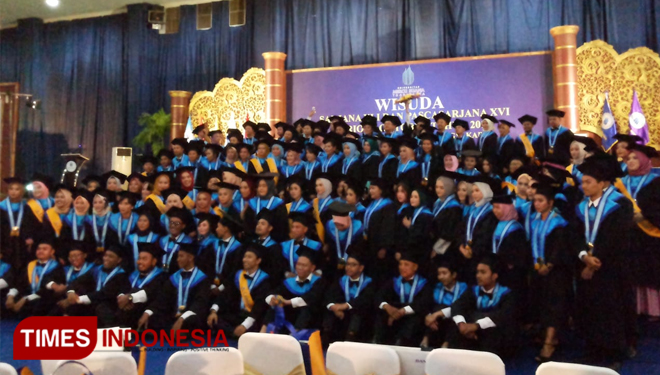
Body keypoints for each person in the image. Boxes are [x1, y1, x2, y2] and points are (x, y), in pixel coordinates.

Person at [575, 154, 634, 370]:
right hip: (586, 265)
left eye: (588, 182)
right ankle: (593, 349)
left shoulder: (620, 205)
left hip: (611, 267)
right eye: (582, 182)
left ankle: (614, 351)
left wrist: (595, 262)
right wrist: (584, 256)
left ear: (603, 183)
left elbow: (617, 238)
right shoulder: (580, 207)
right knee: (589, 308)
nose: (584, 186)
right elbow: (576, 236)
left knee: (612, 309)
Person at [528, 180, 573, 362]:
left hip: (556, 272)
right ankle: (548, 336)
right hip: (539, 270)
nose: (537, 204)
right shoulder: (535, 220)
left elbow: (560, 247)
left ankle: (549, 343)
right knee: (543, 304)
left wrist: (551, 264)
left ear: (550, 202)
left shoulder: (558, 222)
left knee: (555, 305)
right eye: (535, 201)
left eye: (540, 200)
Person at [616, 144, 660, 322]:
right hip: (628, 233)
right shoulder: (621, 182)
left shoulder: (655, 181)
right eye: (628, 159)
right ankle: (634, 307)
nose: (631, 161)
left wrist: (645, 216)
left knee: (651, 269)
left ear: (644, 160)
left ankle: (653, 309)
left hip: (649, 233)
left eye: (635, 158)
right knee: (632, 269)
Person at [450, 254, 517, 357]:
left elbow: (503, 316)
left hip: (496, 336)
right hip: (473, 332)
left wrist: (476, 326)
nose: (478, 276)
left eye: (483, 272)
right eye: (477, 272)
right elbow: (458, 305)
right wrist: (462, 325)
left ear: (494, 276)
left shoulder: (507, 293)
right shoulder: (473, 290)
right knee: (456, 326)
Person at [207, 244, 271, 337]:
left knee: (255, 327)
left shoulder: (264, 280)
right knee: (215, 320)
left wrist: (244, 326)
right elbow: (224, 295)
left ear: (258, 261)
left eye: (249, 257)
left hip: (252, 317)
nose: (244, 259)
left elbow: (259, 307)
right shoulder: (238, 275)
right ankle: (236, 334)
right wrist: (213, 311)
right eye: (244, 256)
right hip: (237, 314)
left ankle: (234, 333)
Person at [61, 246, 130, 327]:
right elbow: (78, 281)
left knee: (99, 308)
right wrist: (71, 293)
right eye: (105, 255)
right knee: (67, 306)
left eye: (110, 256)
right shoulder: (96, 270)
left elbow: (104, 294)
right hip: (93, 302)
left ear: (119, 260)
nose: (106, 258)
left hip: (110, 307)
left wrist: (77, 299)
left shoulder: (121, 275)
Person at [263, 246, 326, 332]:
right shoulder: (289, 282)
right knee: (274, 304)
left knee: (307, 308)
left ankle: (296, 336)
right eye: (298, 264)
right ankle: (263, 332)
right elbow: (273, 292)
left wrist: (287, 302)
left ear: (312, 268)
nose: (299, 267)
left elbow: (311, 298)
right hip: (289, 318)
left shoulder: (319, 282)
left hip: (310, 322)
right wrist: (272, 298)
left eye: (304, 265)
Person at [374, 252, 431, 346]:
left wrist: (402, 311)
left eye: (406, 264)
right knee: (381, 313)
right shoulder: (394, 281)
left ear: (415, 267)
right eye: (400, 264)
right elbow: (379, 296)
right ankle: (378, 342)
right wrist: (387, 307)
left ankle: (402, 344)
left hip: (411, 315)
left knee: (416, 319)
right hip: (393, 313)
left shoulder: (424, 284)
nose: (402, 267)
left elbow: (423, 303)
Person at [151, 243, 211, 332]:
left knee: (193, 320)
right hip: (174, 315)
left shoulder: (202, 279)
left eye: (181, 256)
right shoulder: (174, 278)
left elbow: (200, 304)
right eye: (178, 257)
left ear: (190, 258)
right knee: (154, 318)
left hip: (191, 316)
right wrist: (148, 312)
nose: (178, 260)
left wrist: (182, 317)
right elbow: (163, 298)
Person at [322, 247, 375, 346]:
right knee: (328, 313)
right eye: (348, 264)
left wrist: (346, 306)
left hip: (359, 316)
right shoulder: (341, 280)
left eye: (353, 265)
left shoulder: (369, 282)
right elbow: (329, 296)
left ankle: (350, 342)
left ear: (361, 268)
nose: (348, 267)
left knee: (358, 314)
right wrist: (334, 308)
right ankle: (325, 344)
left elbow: (366, 300)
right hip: (341, 315)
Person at [5, 239, 65, 318]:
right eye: (38, 249)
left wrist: (26, 299)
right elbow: (19, 284)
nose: (40, 251)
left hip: (45, 299)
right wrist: (10, 296)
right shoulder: (30, 265)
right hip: (26, 296)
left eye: (45, 249)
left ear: (52, 252)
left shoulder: (57, 267)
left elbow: (49, 290)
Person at [457, 176, 499, 282]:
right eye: (473, 191)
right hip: (465, 254)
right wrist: (461, 246)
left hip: (481, 257)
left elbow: (486, 235)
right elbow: (461, 229)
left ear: (485, 191)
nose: (474, 194)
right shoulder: (472, 209)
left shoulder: (491, 212)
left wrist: (473, 251)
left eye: (477, 190)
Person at [420, 260, 468, 349]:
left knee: (455, 314)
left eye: (444, 273)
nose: (441, 277)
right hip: (439, 322)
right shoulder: (437, 287)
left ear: (454, 275)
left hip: (455, 320)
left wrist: (436, 314)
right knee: (435, 309)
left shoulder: (464, 287)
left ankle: (446, 344)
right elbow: (429, 305)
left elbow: (460, 307)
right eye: (439, 274)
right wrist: (430, 316)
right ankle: (426, 339)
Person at [198, 214, 244, 294]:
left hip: (229, 290)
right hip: (211, 286)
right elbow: (207, 266)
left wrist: (222, 287)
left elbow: (235, 270)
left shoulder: (238, 248)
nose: (216, 229)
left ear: (225, 229)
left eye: (218, 227)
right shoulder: (213, 245)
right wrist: (212, 284)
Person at [363, 178, 397, 284]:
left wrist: (384, 247)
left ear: (381, 190)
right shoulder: (372, 203)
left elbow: (388, 228)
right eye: (370, 188)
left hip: (380, 246)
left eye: (373, 188)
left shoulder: (388, 206)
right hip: (370, 244)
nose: (370, 191)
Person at [0, 177, 37, 270]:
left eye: (17, 189)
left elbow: (33, 226)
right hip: (5, 244)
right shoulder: (1, 207)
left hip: (22, 246)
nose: (13, 192)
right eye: (11, 189)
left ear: (21, 191)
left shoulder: (26, 208)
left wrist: (31, 237)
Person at [324, 202, 365, 281]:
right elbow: (329, 244)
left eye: (341, 225)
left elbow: (359, 250)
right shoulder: (330, 226)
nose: (338, 227)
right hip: (334, 263)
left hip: (352, 264)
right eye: (336, 224)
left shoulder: (357, 228)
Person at [279, 212, 323, 282]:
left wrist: (314, 275)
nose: (293, 230)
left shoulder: (315, 246)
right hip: (290, 282)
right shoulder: (283, 246)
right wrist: (287, 274)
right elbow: (281, 266)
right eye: (292, 227)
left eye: (297, 227)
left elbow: (321, 266)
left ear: (305, 229)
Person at [243, 174, 288, 242]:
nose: (261, 188)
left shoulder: (278, 204)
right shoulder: (252, 203)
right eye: (259, 186)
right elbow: (248, 225)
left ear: (270, 187)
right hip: (254, 241)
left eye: (264, 186)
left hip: (273, 242)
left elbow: (282, 227)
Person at [431, 172, 463, 259]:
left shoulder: (454, 207)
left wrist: (437, 248)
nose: (438, 190)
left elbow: (449, 231)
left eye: (442, 188)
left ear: (449, 188)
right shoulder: (437, 202)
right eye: (436, 187)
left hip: (445, 249)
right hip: (434, 242)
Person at [159, 207, 194, 274]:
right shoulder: (162, 240)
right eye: (171, 222)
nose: (173, 225)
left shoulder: (188, 242)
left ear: (183, 226)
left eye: (177, 223)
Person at [86, 190, 113, 261]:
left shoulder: (113, 218)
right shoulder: (88, 219)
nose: (97, 205)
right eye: (95, 202)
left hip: (110, 253)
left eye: (100, 202)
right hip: (92, 254)